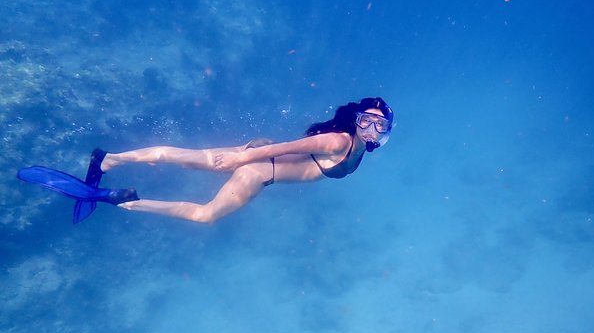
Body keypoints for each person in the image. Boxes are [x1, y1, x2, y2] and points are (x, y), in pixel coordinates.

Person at [17, 97, 394, 224]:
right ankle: (120, 199)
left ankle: (107, 160)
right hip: (259, 170)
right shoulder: (339, 140)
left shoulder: (357, 146)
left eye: (379, 126)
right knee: (204, 215)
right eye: (367, 122)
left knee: (182, 160)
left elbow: (291, 150)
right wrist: (240, 158)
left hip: (259, 161)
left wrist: (246, 152)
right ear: (356, 120)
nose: (371, 130)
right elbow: (281, 149)